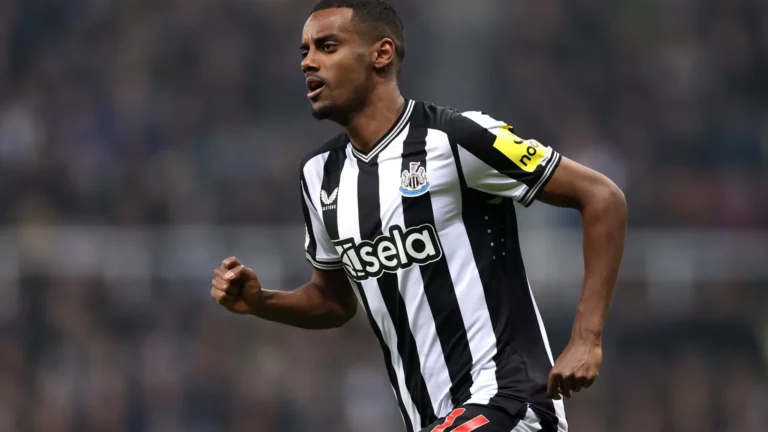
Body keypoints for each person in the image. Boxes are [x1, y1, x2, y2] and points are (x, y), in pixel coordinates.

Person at [210, 0, 627, 430]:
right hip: (432, 418)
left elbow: (602, 197)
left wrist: (586, 338)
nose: (308, 62)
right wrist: (262, 302)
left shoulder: (456, 138)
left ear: (381, 54)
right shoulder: (319, 176)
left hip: (510, 401)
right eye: (305, 51)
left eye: (327, 46)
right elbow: (333, 301)